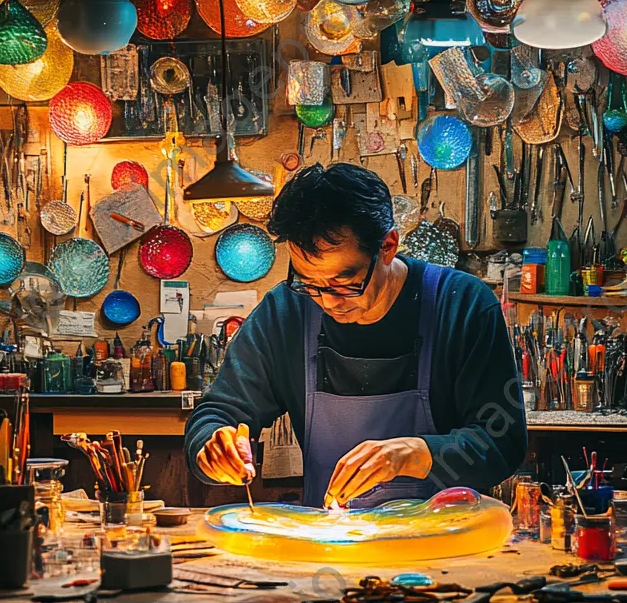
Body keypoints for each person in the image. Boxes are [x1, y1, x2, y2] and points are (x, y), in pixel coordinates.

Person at [185, 163, 527, 509]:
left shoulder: (462, 306)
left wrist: (414, 454)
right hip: (332, 544)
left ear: (387, 247)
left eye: (346, 283)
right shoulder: (285, 313)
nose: (329, 302)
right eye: (309, 283)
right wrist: (213, 446)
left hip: (445, 544)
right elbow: (219, 411)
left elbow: (501, 443)